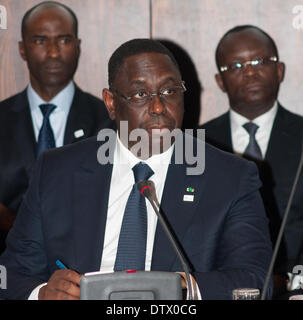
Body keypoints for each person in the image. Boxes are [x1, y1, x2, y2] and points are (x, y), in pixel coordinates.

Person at [0, 38, 273, 300]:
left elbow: (256, 279)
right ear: (111, 103)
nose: (158, 107)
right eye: (140, 94)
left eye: (169, 91)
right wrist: (43, 292)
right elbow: (10, 275)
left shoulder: (230, 178)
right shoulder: (57, 171)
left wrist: (180, 287)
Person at [0, 1, 113, 253]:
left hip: (86, 266)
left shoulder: (108, 122)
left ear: (78, 47)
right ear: (22, 49)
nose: (53, 52)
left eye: (63, 40)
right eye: (40, 41)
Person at [200, 25, 303, 298]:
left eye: (259, 61)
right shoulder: (197, 144)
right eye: (235, 65)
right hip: (222, 288)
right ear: (220, 81)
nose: (249, 72)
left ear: (279, 70)